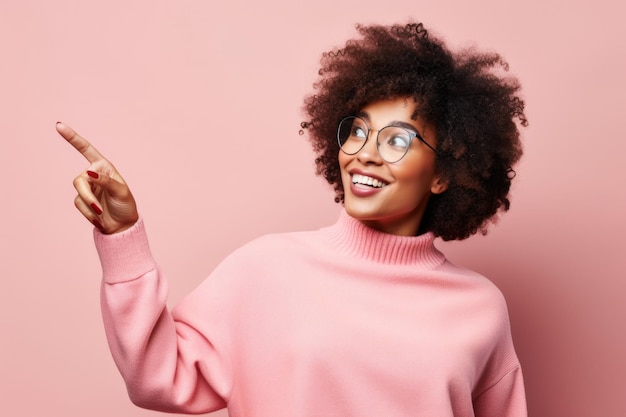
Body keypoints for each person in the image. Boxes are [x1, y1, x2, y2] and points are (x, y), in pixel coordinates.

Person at [58, 22, 527, 416]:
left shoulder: (481, 309)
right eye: (358, 131)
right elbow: (158, 378)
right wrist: (122, 238)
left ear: (444, 173)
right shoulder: (268, 267)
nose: (364, 155)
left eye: (397, 141)